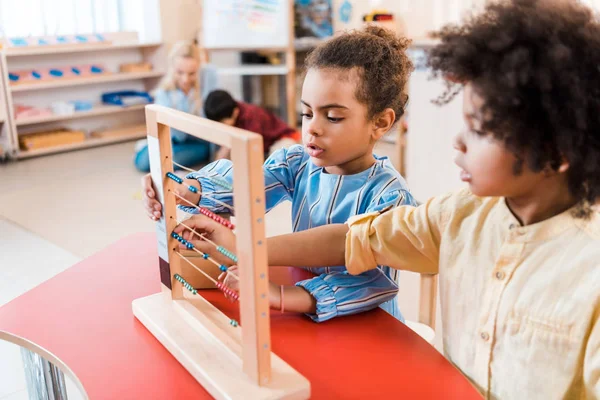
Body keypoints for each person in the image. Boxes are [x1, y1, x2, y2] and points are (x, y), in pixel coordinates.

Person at [178, 1, 600, 397]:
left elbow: (367, 269)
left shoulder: (588, 273)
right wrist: (209, 211)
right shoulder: (456, 216)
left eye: (480, 128)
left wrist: (261, 266)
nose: (457, 139)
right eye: (308, 113)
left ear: (554, 150)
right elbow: (355, 239)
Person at [147, 26, 416, 323]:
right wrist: (188, 187)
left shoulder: (392, 198)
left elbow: (367, 271)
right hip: (311, 324)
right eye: (307, 113)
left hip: (370, 330)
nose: (312, 127)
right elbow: (245, 187)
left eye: (333, 117)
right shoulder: (297, 163)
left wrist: (284, 294)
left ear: (380, 122)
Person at [134, 41, 217, 172]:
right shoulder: (164, 92)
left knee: (167, 161)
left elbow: (212, 118)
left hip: (199, 141)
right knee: (143, 162)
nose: (185, 79)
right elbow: (169, 130)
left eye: (191, 73)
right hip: (175, 139)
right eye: (180, 72)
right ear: (172, 68)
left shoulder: (207, 80)